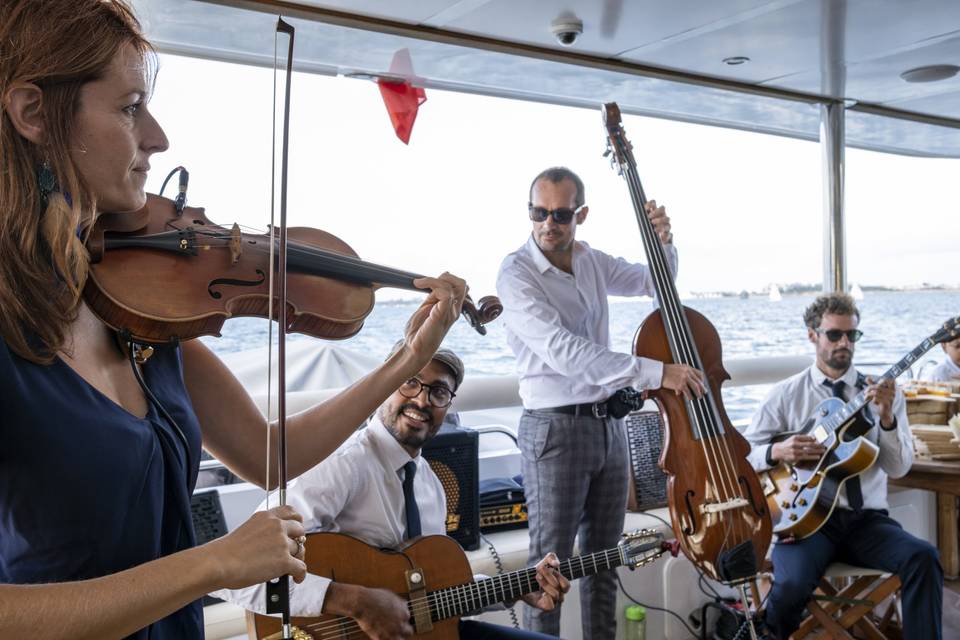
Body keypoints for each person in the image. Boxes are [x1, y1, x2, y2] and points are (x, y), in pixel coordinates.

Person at [0, 1, 467, 638]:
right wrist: (214, 564)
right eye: (130, 106)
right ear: (32, 114)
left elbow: (268, 456)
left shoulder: (136, 312)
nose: (158, 137)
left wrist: (406, 361)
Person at [219, 343, 569, 639]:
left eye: (439, 391)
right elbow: (240, 574)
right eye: (409, 382)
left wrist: (514, 588)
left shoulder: (431, 483)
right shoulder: (341, 464)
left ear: (448, 405)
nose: (422, 400)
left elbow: (433, 591)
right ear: (384, 385)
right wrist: (356, 602)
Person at [495, 166, 705, 638]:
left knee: (605, 563)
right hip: (554, 430)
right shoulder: (516, 273)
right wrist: (659, 372)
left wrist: (663, 242)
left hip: (608, 425)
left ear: (580, 214)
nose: (549, 223)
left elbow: (654, 282)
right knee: (546, 573)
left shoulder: (589, 259)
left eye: (561, 214)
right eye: (539, 212)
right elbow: (566, 353)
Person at [743, 292, 942, 639]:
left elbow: (898, 469)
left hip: (866, 522)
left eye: (852, 335)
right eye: (834, 335)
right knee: (790, 585)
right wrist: (778, 451)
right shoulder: (786, 394)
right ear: (812, 335)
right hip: (804, 522)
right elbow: (744, 456)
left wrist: (887, 419)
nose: (844, 343)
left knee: (923, 557)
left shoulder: (882, 394)